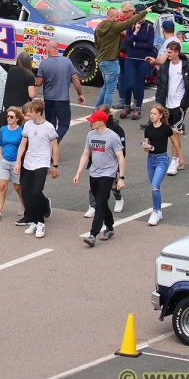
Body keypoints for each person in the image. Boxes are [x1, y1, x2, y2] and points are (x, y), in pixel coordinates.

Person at [73, 110, 126, 248]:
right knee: (100, 202)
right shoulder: (91, 135)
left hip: (107, 175)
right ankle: (110, 226)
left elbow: (121, 157)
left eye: (93, 120)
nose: (90, 122)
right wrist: (78, 172)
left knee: (99, 204)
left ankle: (92, 234)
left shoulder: (113, 137)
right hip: (94, 173)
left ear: (101, 122)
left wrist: (121, 178)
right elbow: (86, 154)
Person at [13, 100, 58, 238]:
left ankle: (40, 222)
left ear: (38, 112)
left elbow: (55, 147)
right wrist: (18, 162)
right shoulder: (27, 125)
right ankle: (32, 220)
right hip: (28, 162)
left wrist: (54, 165)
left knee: (36, 192)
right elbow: (22, 144)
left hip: (42, 163)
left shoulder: (49, 127)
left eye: (30, 112)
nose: (28, 114)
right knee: (26, 192)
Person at [93, 3, 149, 108]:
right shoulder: (114, 27)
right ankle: (106, 112)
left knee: (106, 86)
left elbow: (96, 43)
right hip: (111, 60)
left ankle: (98, 108)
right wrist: (145, 11)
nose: (120, 17)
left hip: (102, 60)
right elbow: (130, 22)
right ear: (110, 17)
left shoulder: (99, 26)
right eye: (117, 16)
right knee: (111, 88)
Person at [153, 40, 189, 175]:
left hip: (178, 106)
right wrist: (160, 103)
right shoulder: (165, 66)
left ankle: (175, 161)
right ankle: (171, 159)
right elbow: (160, 85)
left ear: (177, 52)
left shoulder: (187, 68)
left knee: (175, 134)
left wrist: (183, 106)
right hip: (166, 105)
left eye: (170, 52)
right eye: (167, 52)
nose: (167, 54)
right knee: (166, 133)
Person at [34, 41, 84, 141]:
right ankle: (53, 143)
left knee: (51, 125)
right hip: (63, 99)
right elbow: (75, 80)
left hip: (49, 99)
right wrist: (80, 94)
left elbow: (39, 83)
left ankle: (50, 144)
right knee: (64, 124)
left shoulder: (44, 64)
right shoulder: (67, 61)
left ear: (48, 50)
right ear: (57, 49)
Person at [84, 105, 126, 218]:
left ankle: (118, 199)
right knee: (93, 186)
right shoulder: (94, 128)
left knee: (113, 183)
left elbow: (121, 151)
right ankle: (93, 206)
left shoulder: (116, 129)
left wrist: (119, 167)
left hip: (110, 163)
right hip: (96, 162)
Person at [141, 105, 178, 226]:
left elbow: (174, 142)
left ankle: (155, 211)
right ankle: (159, 210)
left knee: (155, 187)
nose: (152, 116)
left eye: (154, 114)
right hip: (151, 160)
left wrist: (179, 157)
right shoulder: (148, 129)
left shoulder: (166, 128)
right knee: (154, 187)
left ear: (161, 115)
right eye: (151, 113)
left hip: (162, 159)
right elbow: (147, 146)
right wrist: (146, 147)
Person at [119, 12, 155, 120]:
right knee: (129, 84)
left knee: (139, 85)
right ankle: (127, 106)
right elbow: (127, 42)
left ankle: (138, 107)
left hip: (142, 60)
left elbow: (149, 45)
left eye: (142, 16)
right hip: (130, 59)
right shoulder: (131, 25)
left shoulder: (149, 27)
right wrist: (135, 32)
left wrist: (136, 44)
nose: (140, 18)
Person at [0, 106, 24, 222]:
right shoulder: (3, 129)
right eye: (8, 116)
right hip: (4, 162)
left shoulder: (21, 131)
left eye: (11, 117)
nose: (9, 118)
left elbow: (23, 147)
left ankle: (23, 205)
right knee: (1, 187)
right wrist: (0, 156)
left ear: (17, 119)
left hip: (16, 163)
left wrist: (19, 162)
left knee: (18, 187)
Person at [0, 51, 36, 131]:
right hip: (20, 107)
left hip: (8, 105)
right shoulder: (29, 75)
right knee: (19, 129)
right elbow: (32, 95)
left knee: (9, 127)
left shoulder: (11, 70)